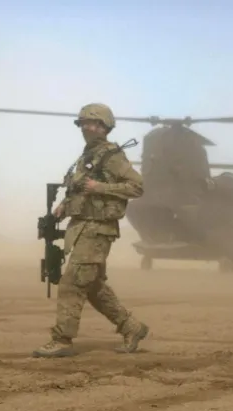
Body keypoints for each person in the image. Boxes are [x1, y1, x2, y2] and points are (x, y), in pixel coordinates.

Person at [33, 103, 150, 358]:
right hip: (82, 227)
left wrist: (101, 188)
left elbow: (137, 186)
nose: (86, 128)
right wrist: (64, 206)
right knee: (92, 286)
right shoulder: (88, 156)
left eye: (92, 123)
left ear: (104, 127)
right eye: (83, 123)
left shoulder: (112, 156)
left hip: (98, 229)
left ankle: (62, 339)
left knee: (72, 283)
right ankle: (131, 327)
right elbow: (80, 191)